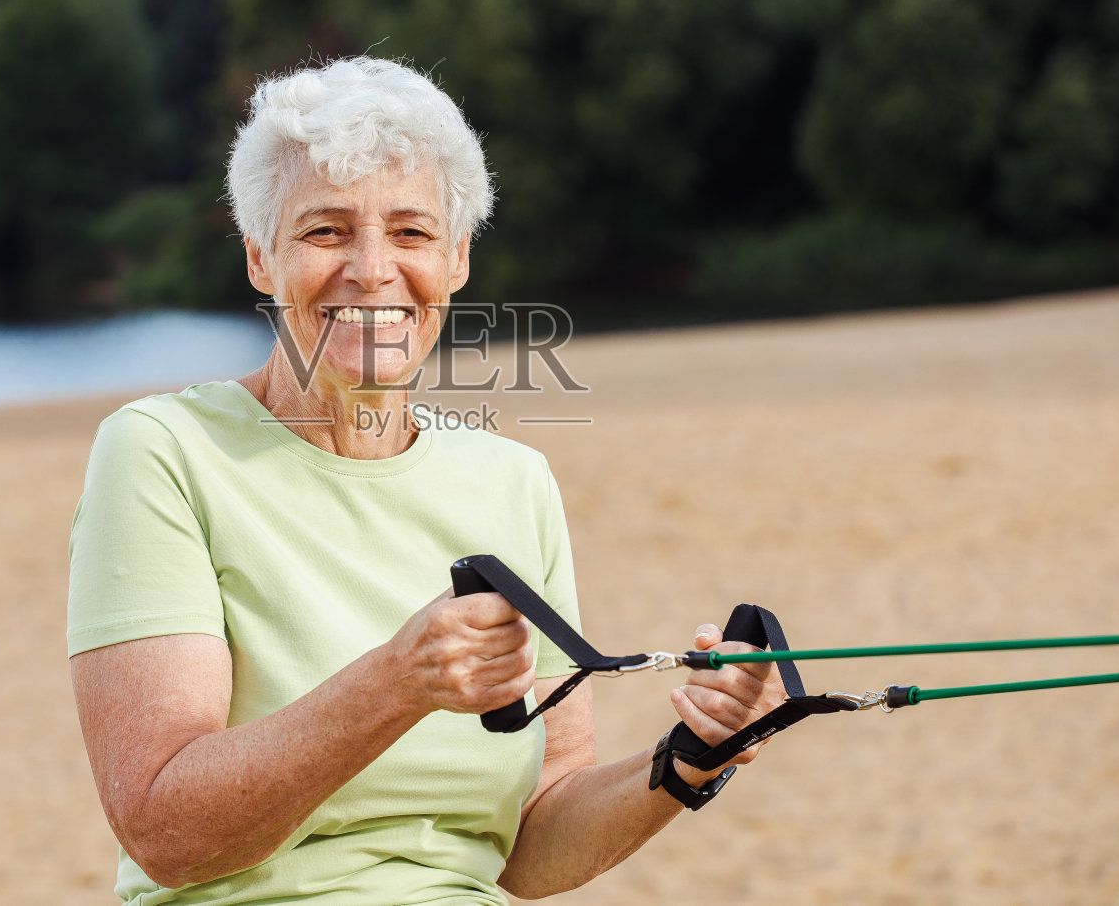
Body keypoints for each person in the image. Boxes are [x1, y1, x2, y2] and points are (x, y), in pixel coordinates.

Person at [67, 57, 785, 904]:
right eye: (326, 231)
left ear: (457, 259)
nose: (372, 269)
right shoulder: (162, 453)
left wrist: (688, 761)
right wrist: (394, 683)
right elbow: (165, 831)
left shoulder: (515, 481)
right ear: (261, 256)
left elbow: (533, 841)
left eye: (410, 232)